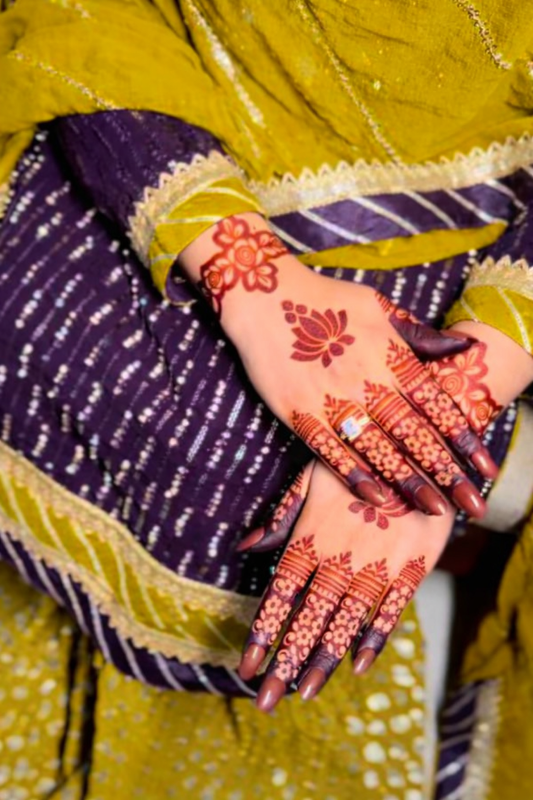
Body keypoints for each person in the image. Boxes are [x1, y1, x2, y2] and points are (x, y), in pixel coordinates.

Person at [1, 1, 533, 798]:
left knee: (247, 502)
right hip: (144, 107)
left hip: (484, 225)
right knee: (222, 475)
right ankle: (502, 468)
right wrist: (253, 285)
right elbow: (81, 20)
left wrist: (449, 404)